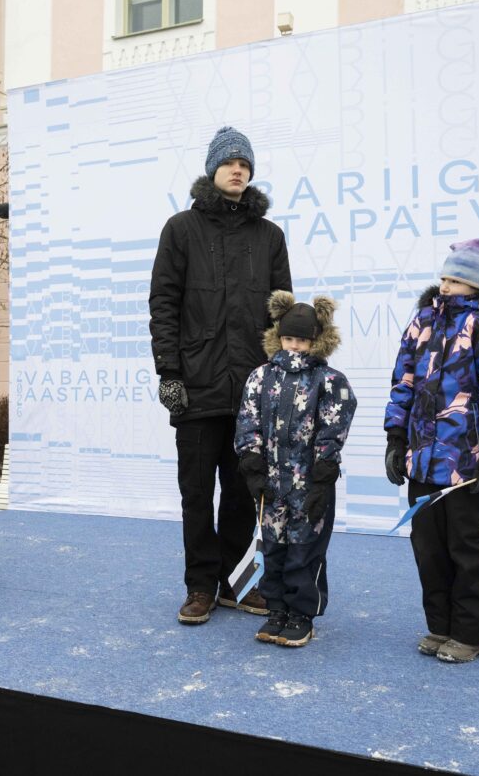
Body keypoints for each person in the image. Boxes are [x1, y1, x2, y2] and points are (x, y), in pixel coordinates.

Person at [149, 126, 292, 625]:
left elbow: (283, 315)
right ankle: (199, 586)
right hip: (195, 384)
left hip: (253, 390)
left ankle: (233, 581)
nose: (238, 169)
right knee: (196, 494)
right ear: (213, 168)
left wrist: (280, 379)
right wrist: (169, 371)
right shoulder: (181, 229)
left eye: (246, 164)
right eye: (230, 162)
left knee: (240, 491)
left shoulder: (269, 236)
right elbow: (163, 304)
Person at [383, 238, 479, 663]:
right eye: (443, 277)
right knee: (427, 547)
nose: (445, 286)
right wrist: (395, 440)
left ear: (477, 286)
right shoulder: (423, 321)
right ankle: (440, 626)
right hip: (422, 458)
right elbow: (403, 381)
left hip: (466, 460)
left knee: (466, 547)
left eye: (456, 280)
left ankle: (473, 633)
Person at [234, 293, 357, 647]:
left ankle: (301, 613)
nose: (294, 346)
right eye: (288, 339)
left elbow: (333, 427)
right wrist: (252, 463)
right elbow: (248, 420)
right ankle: (276, 609)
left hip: (308, 485)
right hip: (272, 484)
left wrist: (323, 474)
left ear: (316, 340)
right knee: (272, 546)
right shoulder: (261, 376)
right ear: (278, 337)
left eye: (302, 340)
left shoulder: (330, 381)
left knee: (305, 548)